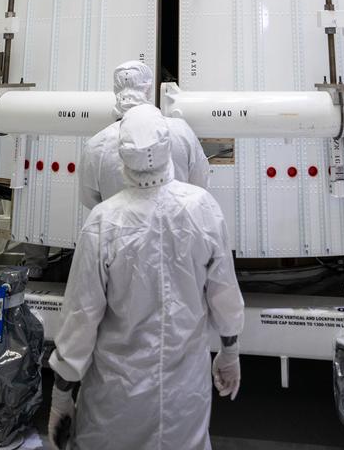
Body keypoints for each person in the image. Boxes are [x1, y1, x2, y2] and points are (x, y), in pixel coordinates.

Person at [47, 104, 244, 450]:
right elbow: (224, 294)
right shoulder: (203, 208)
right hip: (185, 396)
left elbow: (81, 317)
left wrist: (61, 394)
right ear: (168, 147)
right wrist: (230, 353)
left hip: (116, 396)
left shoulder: (103, 221)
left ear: (121, 156)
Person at [79, 60, 209, 209]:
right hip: (178, 220)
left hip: (119, 223)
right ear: (148, 89)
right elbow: (200, 183)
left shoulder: (95, 145)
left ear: (115, 90)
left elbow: (90, 201)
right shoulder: (182, 131)